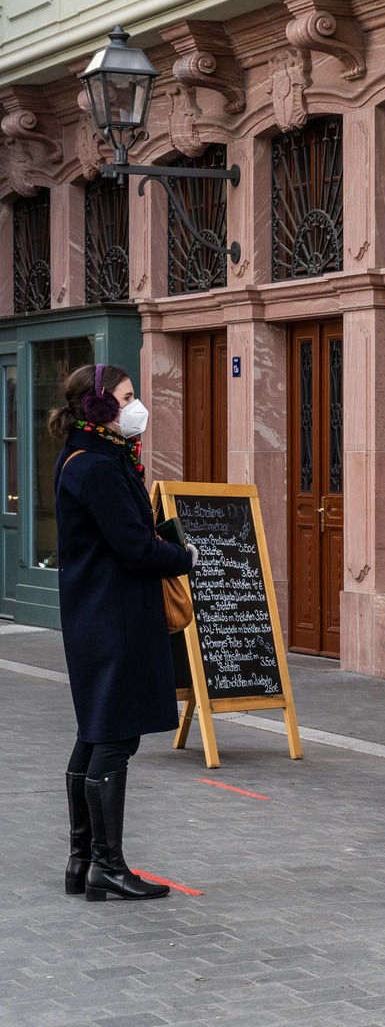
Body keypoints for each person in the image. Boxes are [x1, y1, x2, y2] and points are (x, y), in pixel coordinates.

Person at [53, 363, 196, 901]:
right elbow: (134, 548)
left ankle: (82, 860)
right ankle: (106, 867)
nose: (136, 405)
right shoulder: (99, 468)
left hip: (95, 615)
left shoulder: (81, 458)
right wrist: (184, 555)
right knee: (114, 737)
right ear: (99, 407)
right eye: (127, 396)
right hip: (116, 619)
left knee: (95, 731)